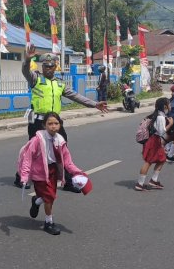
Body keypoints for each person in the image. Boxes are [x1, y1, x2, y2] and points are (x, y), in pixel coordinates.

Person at [13, 44, 108, 190]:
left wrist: (95, 104)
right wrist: (27, 59)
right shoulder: (35, 79)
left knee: (62, 151)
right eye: (46, 66)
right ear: (42, 67)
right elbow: (25, 70)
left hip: (55, 122)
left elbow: (76, 96)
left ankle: (68, 182)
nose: (49, 69)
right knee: (33, 151)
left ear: (55, 67)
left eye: (51, 66)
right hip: (38, 122)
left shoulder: (60, 84)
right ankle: (21, 177)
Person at [17, 111, 89, 235]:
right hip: (39, 172)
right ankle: (48, 222)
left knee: (48, 197)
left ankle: (36, 201)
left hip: (52, 171)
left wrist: (77, 172)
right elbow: (28, 158)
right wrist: (24, 176)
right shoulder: (37, 140)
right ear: (44, 125)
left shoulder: (60, 140)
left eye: (56, 123)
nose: (53, 126)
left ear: (60, 125)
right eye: (50, 123)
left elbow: (67, 161)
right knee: (50, 197)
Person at [135, 97, 172, 191]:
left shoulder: (156, 115)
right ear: (165, 106)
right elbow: (161, 132)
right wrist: (170, 124)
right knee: (149, 161)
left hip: (153, 140)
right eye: (169, 104)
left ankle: (154, 180)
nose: (170, 106)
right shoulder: (160, 117)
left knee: (162, 159)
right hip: (153, 141)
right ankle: (140, 183)